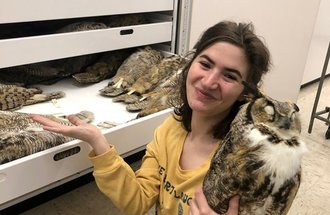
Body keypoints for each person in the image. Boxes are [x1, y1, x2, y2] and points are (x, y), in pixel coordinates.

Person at [32, 20, 271, 215]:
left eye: (229, 76)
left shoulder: (251, 162)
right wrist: (98, 142)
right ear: (189, 64)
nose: (209, 82)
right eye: (205, 64)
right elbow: (138, 201)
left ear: (246, 92)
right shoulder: (171, 129)